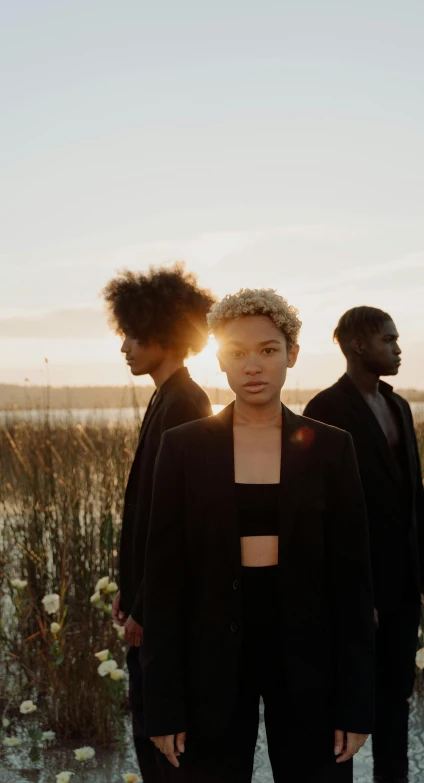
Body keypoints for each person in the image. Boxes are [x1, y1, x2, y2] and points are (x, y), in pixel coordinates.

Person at [141, 289, 375, 783]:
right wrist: (162, 706)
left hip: (310, 656)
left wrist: (355, 706)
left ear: (291, 354)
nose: (253, 365)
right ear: (219, 360)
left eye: (268, 350)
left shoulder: (332, 448)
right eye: (237, 352)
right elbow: (162, 583)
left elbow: (353, 583)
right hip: (210, 654)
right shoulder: (182, 447)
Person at [304, 306, 424, 783]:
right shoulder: (324, 410)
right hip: (355, 589)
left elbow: (413, 496)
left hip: (403, 584)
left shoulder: (398, 406)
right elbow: (317, 515)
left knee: (396, 699)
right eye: (389, 339)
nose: (398, 348)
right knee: (344, 700)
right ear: (358, 345)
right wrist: (350, 596)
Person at [101, 263, 214, 782]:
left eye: (132, 332)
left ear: (163, 331)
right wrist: (130, 590)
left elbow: (177, 522)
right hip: (152, 603)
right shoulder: (166, 396)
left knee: (166, 747)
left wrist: (145, 606)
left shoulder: (186, 402)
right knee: (153, 740)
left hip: (167, 616)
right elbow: (146, 509)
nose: (124, 345)